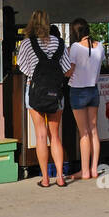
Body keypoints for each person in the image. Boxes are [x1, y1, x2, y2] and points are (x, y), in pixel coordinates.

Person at [17, 10, 72, 187]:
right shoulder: (59, 43)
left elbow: (23, 68)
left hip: (35, 92)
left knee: (41, 136)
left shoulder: (26, 44)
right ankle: (61, 178)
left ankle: (45, 179)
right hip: (56, 93)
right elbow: (66, 69)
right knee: (55, 136)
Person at [67, 17, 105, 180]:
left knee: (83, 132)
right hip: (93, 90)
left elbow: (69, 71)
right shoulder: (100, 47)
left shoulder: (75, 47)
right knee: (94, 130)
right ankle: (94, 169)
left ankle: (85, 171)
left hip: (77, 90)